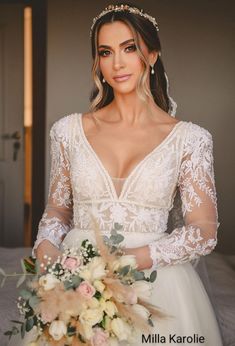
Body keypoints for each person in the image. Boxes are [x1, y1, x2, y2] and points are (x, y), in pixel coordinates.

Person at [14, 3, 223, 345]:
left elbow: (203, 231)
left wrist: (127, 262)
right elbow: (57, 211)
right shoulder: (67, 131)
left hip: (157, 284)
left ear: (152, 55)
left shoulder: (191, 139)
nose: (118, 63)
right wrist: (48, 250)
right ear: (97, 61)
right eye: (106, 52)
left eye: (129, 48)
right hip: (76, 278)